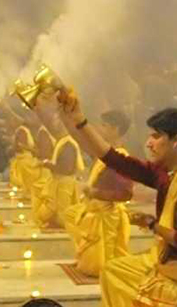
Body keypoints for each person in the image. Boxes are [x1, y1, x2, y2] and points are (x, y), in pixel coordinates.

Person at [56, 90, 177, 307]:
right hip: (164, 262)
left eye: (156, 136)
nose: (149, 143)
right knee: (112, 272)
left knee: (115, 275)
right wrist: (78, 120)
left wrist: (152, 224)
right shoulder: (166, 173)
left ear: (176, 140)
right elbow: (114, 159)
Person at [62, 110, 134, 277]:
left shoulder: (120, 156)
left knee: (101, 268)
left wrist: (94, 192)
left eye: (104, 126)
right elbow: (83, 140)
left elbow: (125, 194)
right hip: (95, 209)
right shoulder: (107, 152)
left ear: (116, 129)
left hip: (107, 214)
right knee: (71, 215)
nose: (100, 129)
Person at [9, 125, 42, 194]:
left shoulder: (36, 132)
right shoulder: (21, 131)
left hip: (27, 159)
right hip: (22, 160)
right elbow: (17, 148)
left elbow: (38, 152)